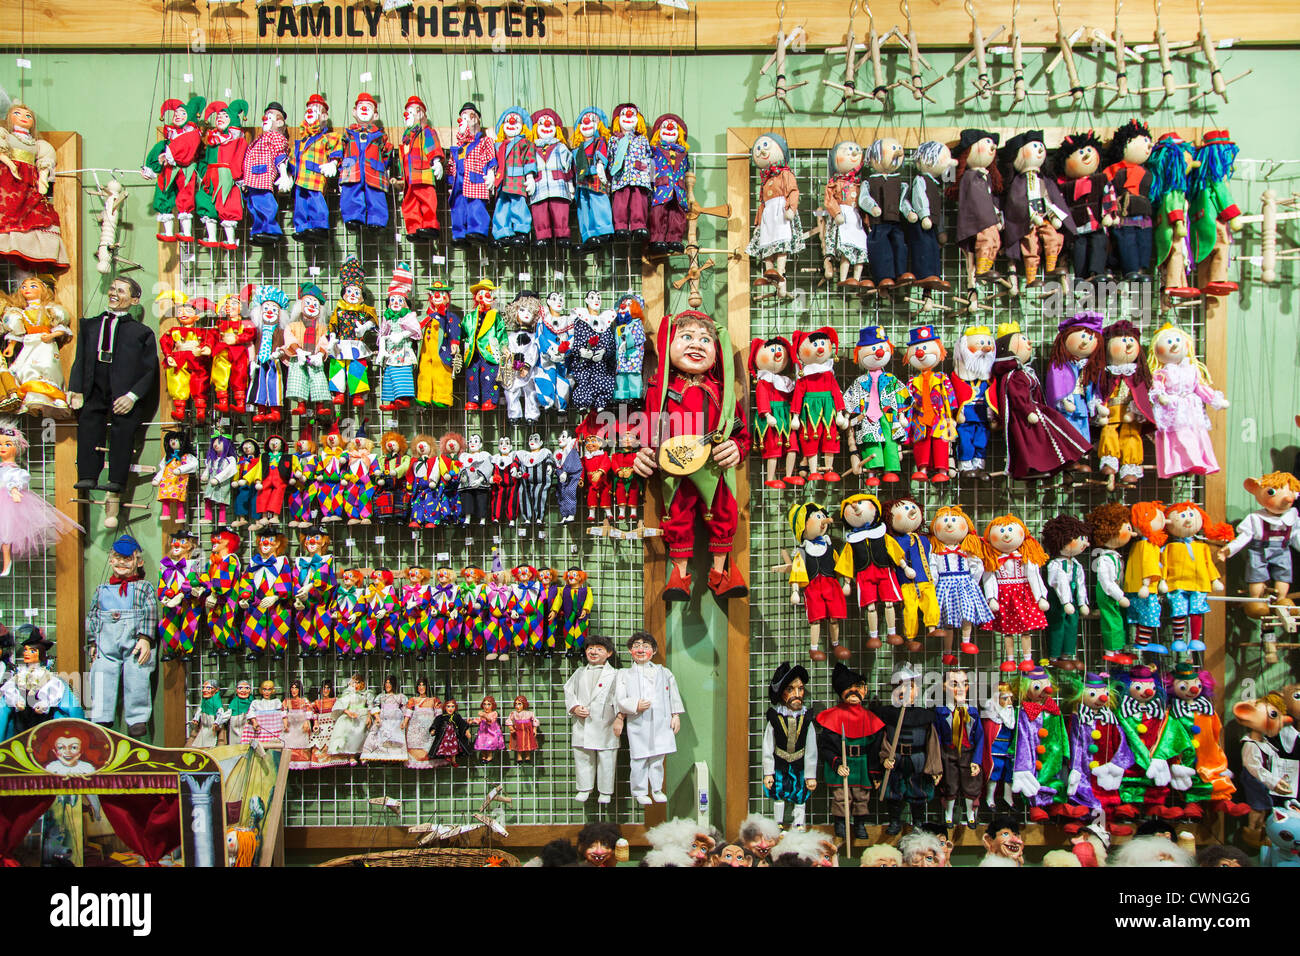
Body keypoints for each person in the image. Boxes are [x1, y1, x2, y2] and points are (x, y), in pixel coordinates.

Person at [66, 277, 159, 504]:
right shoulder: (89, 326)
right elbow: (80, 359)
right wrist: (75, 388)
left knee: (123, 430)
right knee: (88, 425)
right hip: (93, 384)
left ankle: (117, 478)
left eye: (121, 290)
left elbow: (149, 370)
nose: (114, 293)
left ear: (134, 300)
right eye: (112, 288)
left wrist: (132, 396)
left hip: (123, 388)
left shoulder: (141, 332)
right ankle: (87, 474)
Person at [87, 535, 157, 737]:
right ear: (110, 560)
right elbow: (93, 615)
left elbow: (150, 612)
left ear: (138, 562)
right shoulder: (102, 590)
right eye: (117, 558)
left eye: (127, 559)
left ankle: (137, 718)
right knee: (101, 672)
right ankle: (101, 715)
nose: (121, 563)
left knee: (137, 673)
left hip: (134, 641)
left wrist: (145, 638)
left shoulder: (144, 587)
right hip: (105, 642)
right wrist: (92, 641)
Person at [614, 631, 684, 806]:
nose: (641, 650)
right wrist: (634, 704)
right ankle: (640, 791)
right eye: (636, 646)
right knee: (638, 758)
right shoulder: (624, 674)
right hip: (639, 721)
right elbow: (619, 698)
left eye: (646, 646)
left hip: (661, 721)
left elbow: (674, 695)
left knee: (658, 758)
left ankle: (657, 789)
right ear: (630, 650)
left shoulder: (664, 672)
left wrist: (675, 715)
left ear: (653, 651)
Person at [563, 634, 622, 803]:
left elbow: (621, 697)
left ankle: (605, 791)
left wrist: (620, 717)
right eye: (590, 648)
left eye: (599, 649)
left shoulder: (615, 674)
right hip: (583, 723)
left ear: (609, 653)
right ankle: (584, 788)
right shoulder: (579, 672)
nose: (593, 652)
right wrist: (574, 707)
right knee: (582, 757)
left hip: (606, 723)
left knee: (607, 758)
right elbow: (568, 691)